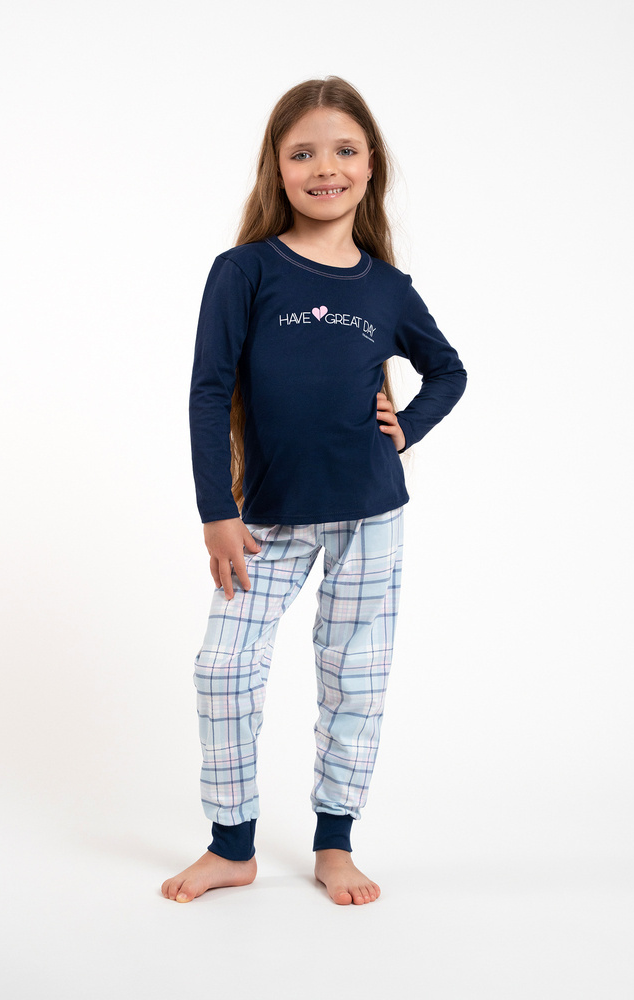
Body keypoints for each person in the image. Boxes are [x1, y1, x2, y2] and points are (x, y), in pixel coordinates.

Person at [161, 75, 467, 906]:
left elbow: (447, 370)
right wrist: (215, 511)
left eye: (343, 151)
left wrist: (405, 427)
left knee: (352, 678)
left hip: (371, 515)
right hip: (265, 517)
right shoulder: (245, 270)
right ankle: (232, 846)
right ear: (277, 167)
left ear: (370, 166)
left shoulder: (387, 288)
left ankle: (335, 842)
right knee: (223, 669)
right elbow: (207, 390)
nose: (323, 168)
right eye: (302, 153)